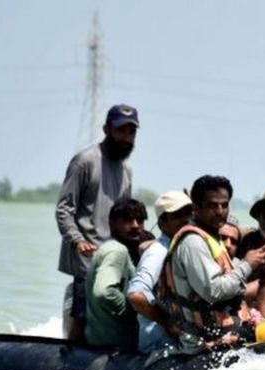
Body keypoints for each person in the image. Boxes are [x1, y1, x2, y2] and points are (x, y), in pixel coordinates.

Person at [156, 175, 265, 353]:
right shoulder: (192, 242)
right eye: (212, 205)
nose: (220, 211)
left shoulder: (211, 237)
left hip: (224, 335)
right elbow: (213, 291)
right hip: (205, 344)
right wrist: (247, 265)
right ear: (196, 208)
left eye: (224, 205)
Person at [56, 103, 139, 342]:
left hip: (114, 253)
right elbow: (64, 208)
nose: (126, 137)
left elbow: (126, 212)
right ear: (107, 129)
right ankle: (71, 357)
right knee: (81, 317)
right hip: (86, 253)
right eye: (121, 130)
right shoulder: (85, 161)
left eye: (131, 132)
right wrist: (76, 240)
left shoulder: (127, 169)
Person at [126, 190, 193, 353]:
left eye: (188, 214)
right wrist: (166, 321)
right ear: (162, 223)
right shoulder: (159, 252)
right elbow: (136, 296)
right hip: (159, 345)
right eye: (178, 215)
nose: (186, 220)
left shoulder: (179, 247)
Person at [85, 197, 151, 350]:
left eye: (140, 220)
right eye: (128, 220)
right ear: (112, 224)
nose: (135, 226)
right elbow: (104, 293)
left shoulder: (122, 251)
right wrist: (137, 312)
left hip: (104, 343)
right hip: (115, 347)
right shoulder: (117, 251)